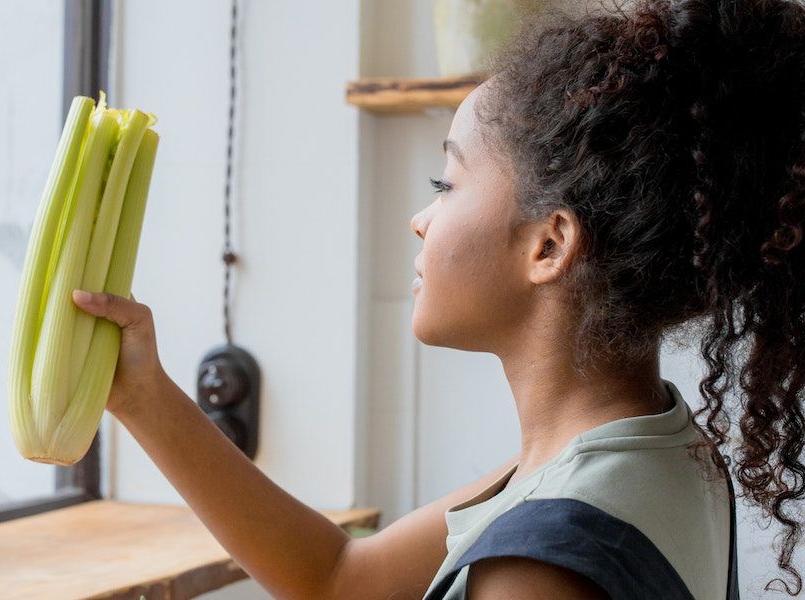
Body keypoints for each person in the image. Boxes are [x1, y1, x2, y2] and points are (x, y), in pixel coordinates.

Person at [71, 0, 804, 597]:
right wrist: (144, 395)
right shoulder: (649, 450)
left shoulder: (538, 569)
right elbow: (339, 579)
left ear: (549, 246)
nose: (421, 219)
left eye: (445, 183)